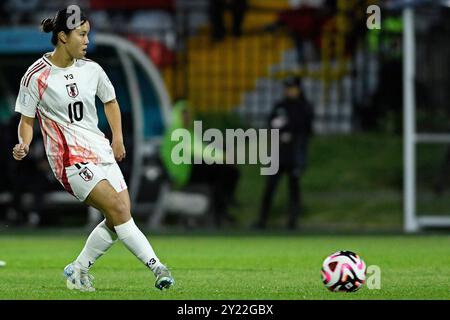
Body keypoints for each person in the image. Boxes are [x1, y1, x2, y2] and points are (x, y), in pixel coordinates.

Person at [12, 7, 174, 292]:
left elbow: (110, 102)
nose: (87, 40)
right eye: (82, 34)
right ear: (63, 37)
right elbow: (26, 120)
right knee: (119, 208)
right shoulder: (36, 75)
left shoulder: (92, 69)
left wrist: (118, 138)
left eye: (88, 34)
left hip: (100, 149)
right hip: (68, 159)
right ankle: (158, 267)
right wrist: (24, 143)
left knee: (117, 218)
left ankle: (78, 268)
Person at [160, 99, 240, 227]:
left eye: (188, 114)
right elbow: (199, 150)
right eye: (183, 114)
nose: (187, 117)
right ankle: (222, 208)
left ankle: (221, 207)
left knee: (221, 172)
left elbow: (200, 148)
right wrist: (224, 157)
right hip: (177, 176)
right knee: (226, 172)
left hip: (183, 173)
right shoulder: (178, 133)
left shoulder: (183, 132)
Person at [254, 76, 314, 230]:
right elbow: (272, 123)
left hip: (294, 153)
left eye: (292, 88)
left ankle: (292, 221)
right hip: (279, 152)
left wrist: (286, 127)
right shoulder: (281, 105)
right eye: (288, 88)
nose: (289, 91)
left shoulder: (304, 107)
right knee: (270, 187)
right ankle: (262, 219)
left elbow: (303, 127)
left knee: (294, 188)